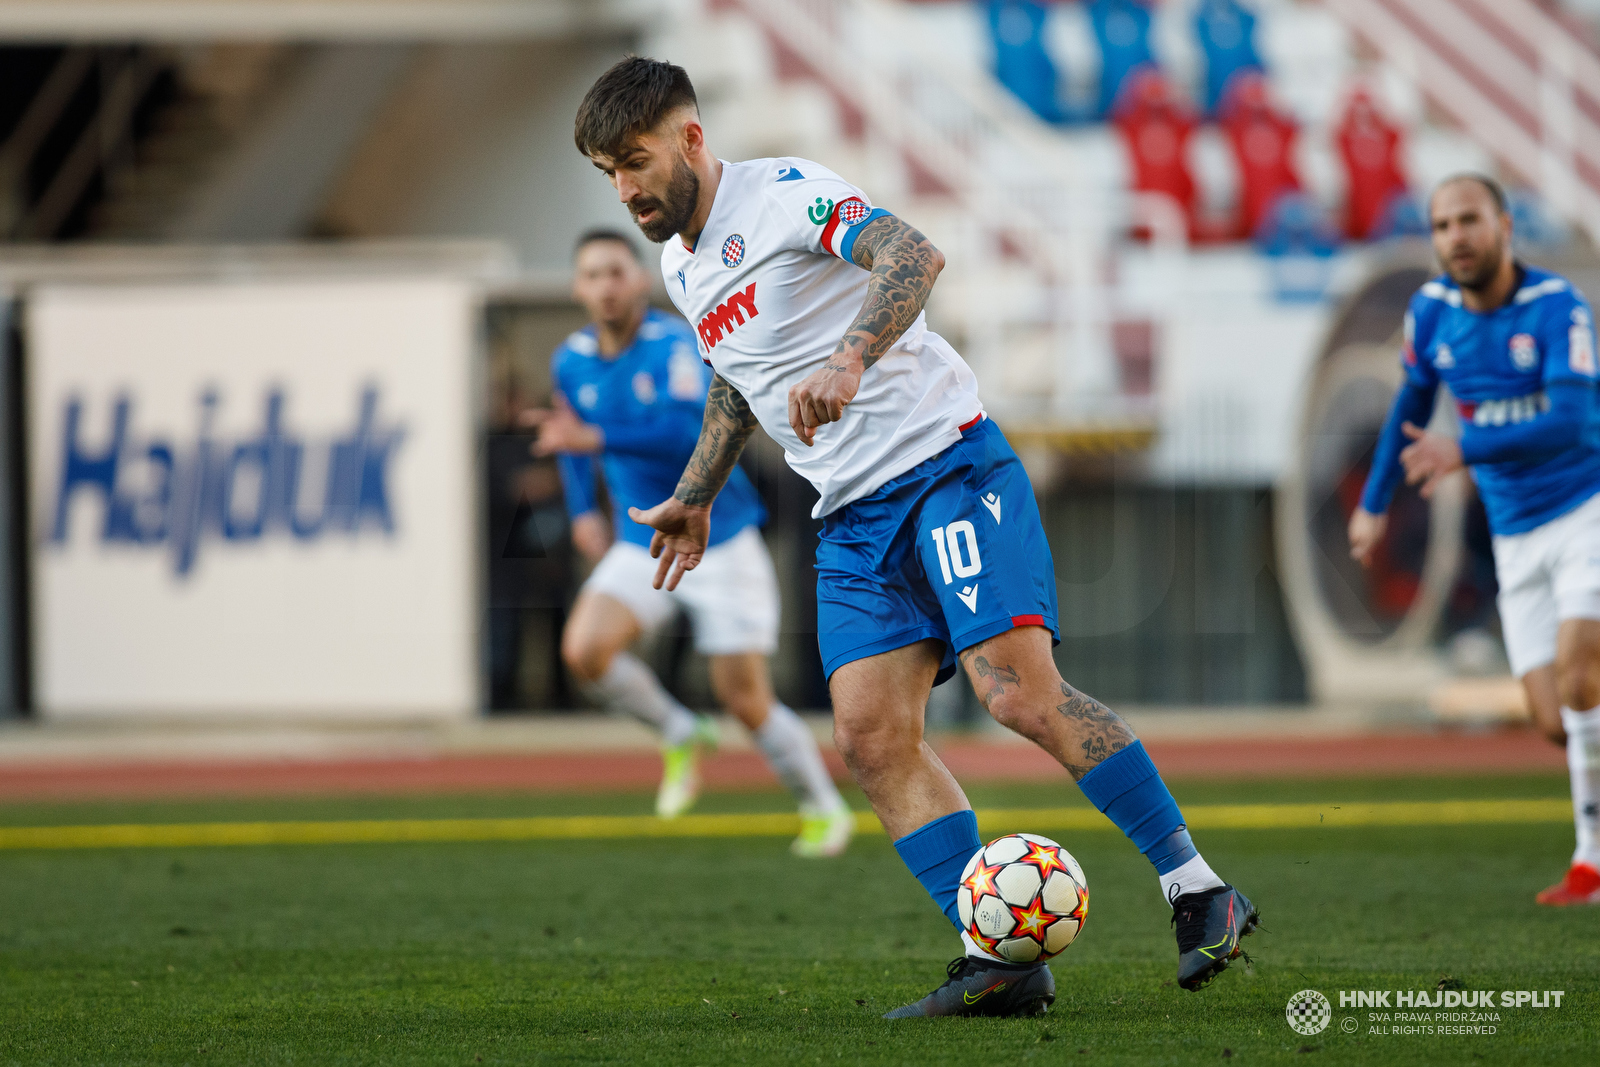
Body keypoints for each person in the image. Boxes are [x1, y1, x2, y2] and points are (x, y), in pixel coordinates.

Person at [572, 56, 1257, 1017]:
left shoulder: (785, 195)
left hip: (946, 468)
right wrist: (696, 491)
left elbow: (914, 255)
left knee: (1016, 694)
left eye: (635, 161)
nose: (626, 188)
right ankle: (1001, 957)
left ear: (690, 138)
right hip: (850, 519)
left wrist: (852, 357)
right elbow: (739, 378)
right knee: (868, 737)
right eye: (608, 172)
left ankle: (1198, 887)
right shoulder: (680, 266)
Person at [525, 228, 854, 858]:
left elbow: (685, 437)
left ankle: (822, 807)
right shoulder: (569, 359)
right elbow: (565, 436)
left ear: (640, 280)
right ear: (577, 287)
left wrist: (593, 440)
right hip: (640, 538)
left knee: (746, 700)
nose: (605, 286)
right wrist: (578, 510)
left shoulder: (675, 344)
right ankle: (679, 729)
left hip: (720, 540)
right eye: (592, 275)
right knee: (585, 650)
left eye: (616, 272)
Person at [1350, 174, 1600, 907]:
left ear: (1504, 225)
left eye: (1469, 220)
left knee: (1583, 677)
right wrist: (1373, 504)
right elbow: (1411, 402)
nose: (1455, 236)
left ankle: (1589, 862)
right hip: (1516, 535)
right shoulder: (1429, 311)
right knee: (1558, 720)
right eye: (1442, 225)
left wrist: (1465, 446)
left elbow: (1573, 421)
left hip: (1585, 510)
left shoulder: (1556, 307)